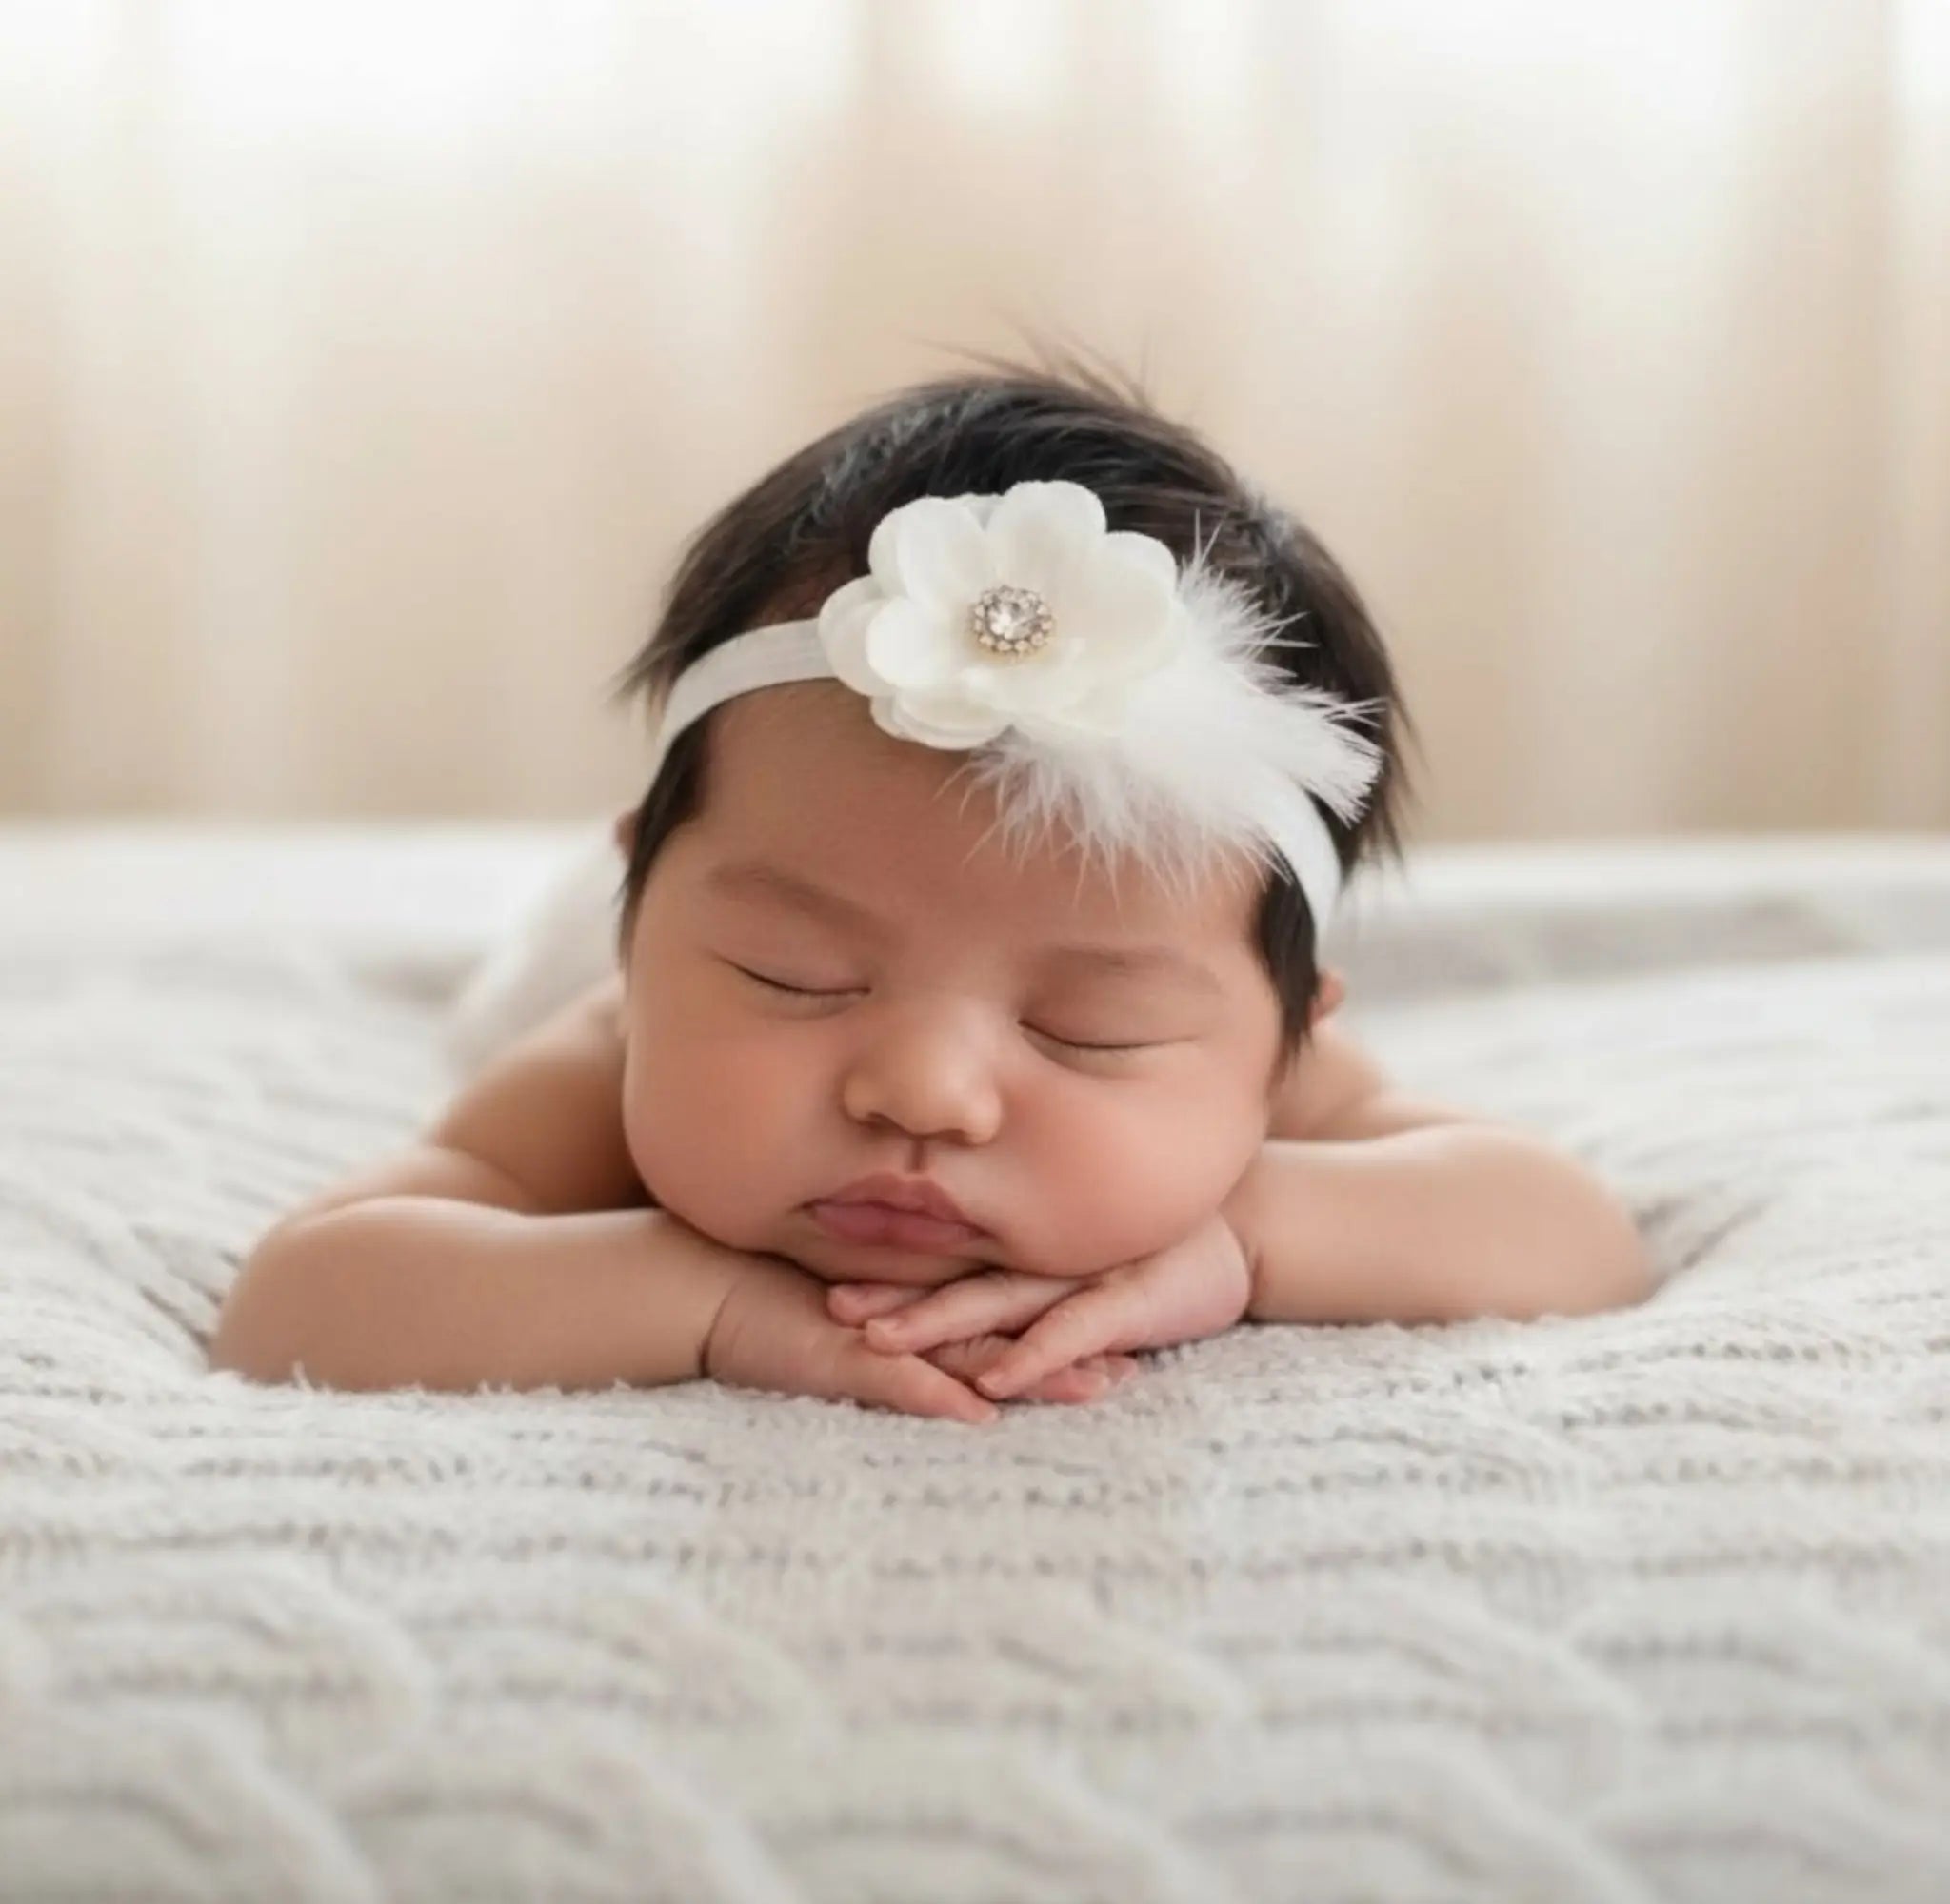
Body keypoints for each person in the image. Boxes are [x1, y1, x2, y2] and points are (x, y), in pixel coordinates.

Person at [211, 361, 1653, 1424]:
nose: (922, 1090)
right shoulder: (604, 1052)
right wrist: (710, 1303)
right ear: (645, 940)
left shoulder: (1266, 1078)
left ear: (1285, 1040)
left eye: (1089, 1030)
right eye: (795, 974)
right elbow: (310, 1292)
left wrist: (1240, 1241)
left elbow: (1568, 1232)